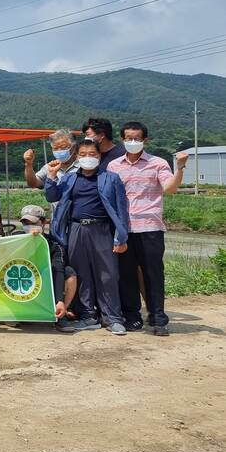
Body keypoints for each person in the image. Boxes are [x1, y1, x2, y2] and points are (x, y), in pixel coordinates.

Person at [107, 121, 188, 335]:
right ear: (122, 140)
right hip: (123, 230)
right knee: (126, 275)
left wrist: (180, 168)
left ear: (145, 140)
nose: (132, 142)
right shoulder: (114, 166)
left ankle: (158, 318)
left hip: (150, 228)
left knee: (153, 274)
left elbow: (170, 188)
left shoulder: (158, 163)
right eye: (128, 138)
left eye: (137, 138)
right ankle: (132, 317)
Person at [45, 138, 129, 335]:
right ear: (76, 157)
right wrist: (51, 176)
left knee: (107, 275)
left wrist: (120, 237)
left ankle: (113, 318)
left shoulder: (111, 178)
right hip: (76, 230)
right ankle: (88, 316)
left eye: (92, 154)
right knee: (81, 275)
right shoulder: (69, 178)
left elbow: (121, 210)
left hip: (101, 230)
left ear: (100, 156)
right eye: (83, 155)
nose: (88, 158)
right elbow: (52, 196)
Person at [19, 205, 78, 332]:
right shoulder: (14, 238)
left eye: (33, 222)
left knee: (69, 272)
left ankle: (60, 314)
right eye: (25, 222)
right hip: (22, 283)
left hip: (46, 284)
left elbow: (59, 271)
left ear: (44, 223)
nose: (28, 226)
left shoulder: (55, 246)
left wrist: (60, 300)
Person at [23, 129, 79, 196]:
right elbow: (33, 183)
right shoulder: (50, 167)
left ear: (74, 147)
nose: (59, 151)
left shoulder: (83, 166)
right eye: (55, 148)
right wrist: (28, 164)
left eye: (63, 147)